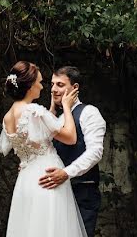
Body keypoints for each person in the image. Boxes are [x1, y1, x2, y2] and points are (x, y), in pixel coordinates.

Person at [0, 61, 88, 237]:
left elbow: (37, 134)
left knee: (32, 227)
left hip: (26, 179)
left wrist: (51, 110)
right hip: (48, 176)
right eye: (39, 82)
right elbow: (70, 137)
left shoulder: (8, 116)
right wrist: (67, 108)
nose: (42, 86)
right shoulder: (33, 110)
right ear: (30, 86)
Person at [40, 66, 106, 237]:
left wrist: (66, 173)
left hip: (82, 192)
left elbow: (95, 152)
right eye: (52, 84)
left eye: (60, 85)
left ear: (75, 88)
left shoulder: (89, 113)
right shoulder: (54, 117)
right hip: (55, 193)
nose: (54, 89)